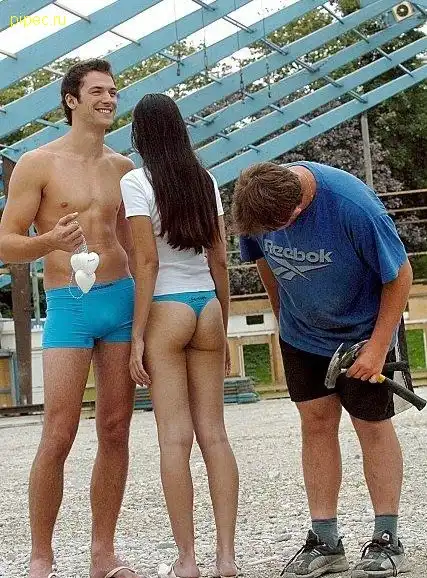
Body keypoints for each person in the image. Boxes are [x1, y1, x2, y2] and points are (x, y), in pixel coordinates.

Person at [231, 161, 413, 578]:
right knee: (315, 424)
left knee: (372, 426)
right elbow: (262, 260)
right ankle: (325, 540)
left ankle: (387, 538)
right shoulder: (256, 202)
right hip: (302, 332)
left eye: (279, 227)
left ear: (297, 209)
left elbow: (401, 276)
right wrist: (283, 316)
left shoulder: (354, 207)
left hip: (363, 332)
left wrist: (378, 347)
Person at [0, 59, 141, 578]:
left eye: (114, 91)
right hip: (69, 304)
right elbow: (5, 243)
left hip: (121, 300)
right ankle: (41, 555)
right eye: (98, 91)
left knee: (116, 429)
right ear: (71, 100)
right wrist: (49, 242)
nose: (109, 99)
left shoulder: (124, 168)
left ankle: (103, 553)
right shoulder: (37, 163)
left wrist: (146, 316)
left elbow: (137, 246)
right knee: (58, 432)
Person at [120, 93, 239, 578]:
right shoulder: (204, 180)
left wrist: (136, 336)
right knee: (215, 435)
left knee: (174, 440)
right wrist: (223, 324)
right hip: (206, 306)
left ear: (139, 134)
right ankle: (227, 557)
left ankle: (187, 559)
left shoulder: (135, 182)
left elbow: (146, 262)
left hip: (166, 310)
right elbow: (220, 259)